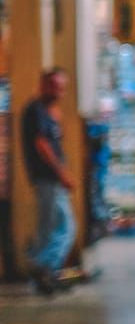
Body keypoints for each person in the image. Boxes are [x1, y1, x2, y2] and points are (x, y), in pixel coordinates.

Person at [20, 68, 77, 294]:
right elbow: (41, 144)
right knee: (63, 228)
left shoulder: (45, 111)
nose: (59, 92)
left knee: (54, 228)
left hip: (50, 180)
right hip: (48, 180)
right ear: (43, 85)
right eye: (54, 86)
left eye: (61, 87)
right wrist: (61, 173)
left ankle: (45, 273)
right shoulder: (36, 111)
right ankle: (40, 265)